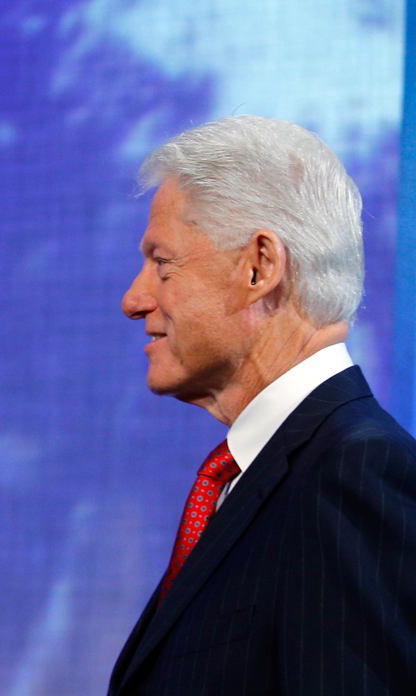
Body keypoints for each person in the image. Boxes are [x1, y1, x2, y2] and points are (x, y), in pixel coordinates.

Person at [110, 115, 416, 695]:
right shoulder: (260, 478)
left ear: (259, 267)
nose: (134, 298)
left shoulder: (356, 473)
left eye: (162, 263)